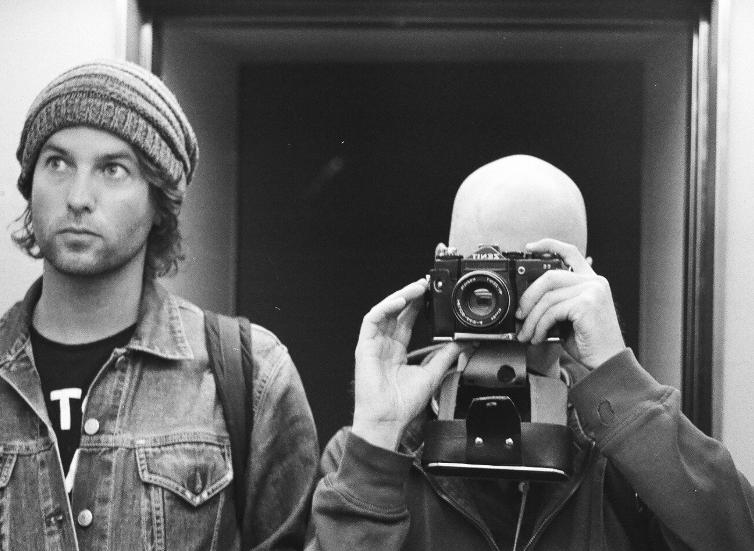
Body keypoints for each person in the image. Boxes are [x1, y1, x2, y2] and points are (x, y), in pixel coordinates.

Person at [0, 60, 319, 550]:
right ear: (30, 183)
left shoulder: (249, 374)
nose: (78, 197)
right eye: (57, 163)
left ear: (159, 202)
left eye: (113, 169)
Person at [308, 155, 754, 550]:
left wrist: (620, 381)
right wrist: (378, 439)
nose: (503, 300)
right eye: (484, 269)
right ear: (443, 267)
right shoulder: (366, 452)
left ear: (583, 278)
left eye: (530, 274)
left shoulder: (627, 454)